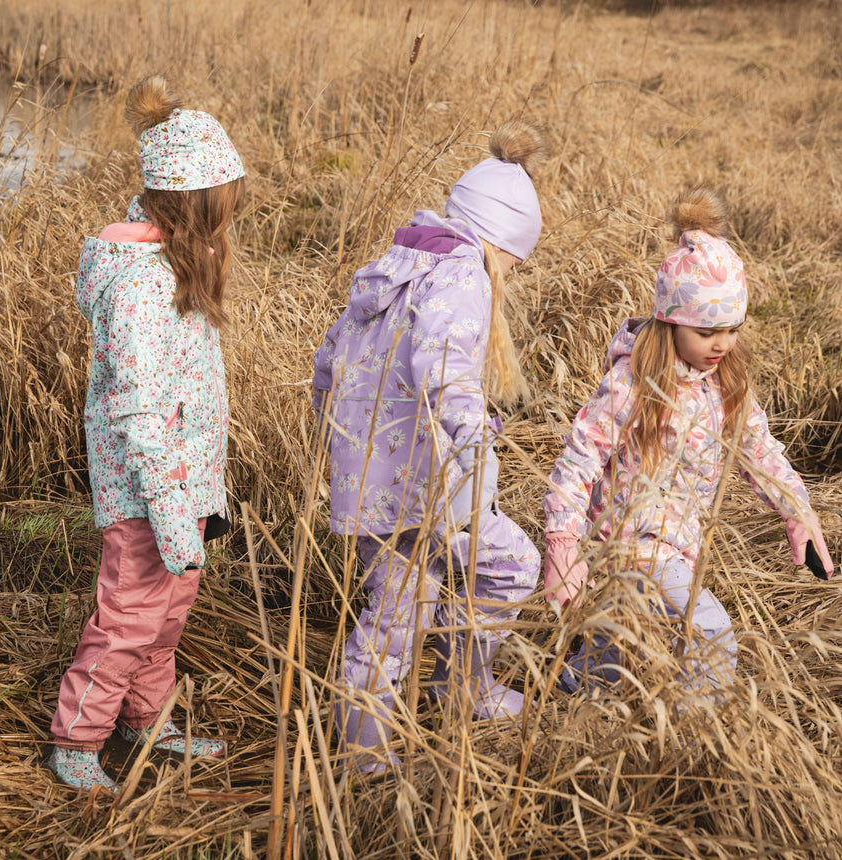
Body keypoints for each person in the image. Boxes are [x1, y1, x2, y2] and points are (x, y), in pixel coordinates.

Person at [313, 120, 545, 773]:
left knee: (398, 608)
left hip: (374, 481)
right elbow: (442, 367)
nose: (510, 278)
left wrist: (336, 426)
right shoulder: (463, 273)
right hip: (429, 484)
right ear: (498, 243)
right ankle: (424, 713)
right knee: (509, 568)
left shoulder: (394, 266)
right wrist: (472, 438)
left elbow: (329, 358)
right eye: (513, 266)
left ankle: (423, 705)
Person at [542, 187, 834, 698]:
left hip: (682, 542)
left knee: (614, 652)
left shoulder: (724, 381)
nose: (721, 344)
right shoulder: (634, 383)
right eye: (706, 331)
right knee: (711, 637)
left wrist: (797, 511)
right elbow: (579, 459)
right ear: (672, 321)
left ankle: (567, 690)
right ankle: (696, 747)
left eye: (732, 329)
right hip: (628, 545)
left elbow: (757, 448)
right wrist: (563, 545)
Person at [47, 76, 245, 792]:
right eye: (222, 210)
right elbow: (139, 414)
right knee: (128, 619)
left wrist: (197, 500)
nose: (229, 227)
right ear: (193, 207)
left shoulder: (178, 266)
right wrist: (167, 513)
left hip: (184, 489)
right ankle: (77, 740)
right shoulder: (138, 287)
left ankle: (146, 724)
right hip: (145, 496)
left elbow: (188, 397)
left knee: (164, 620)